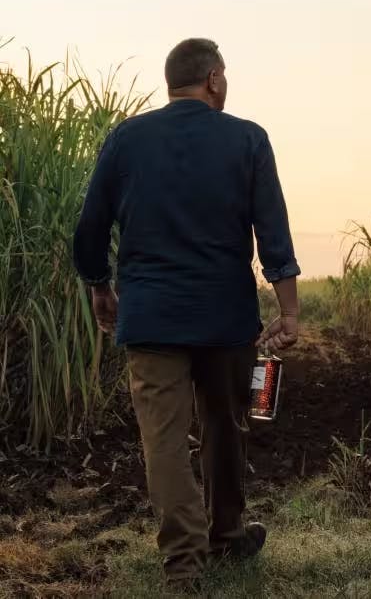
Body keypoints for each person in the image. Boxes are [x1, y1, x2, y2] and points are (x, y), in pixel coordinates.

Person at [73, 38, 300, 592]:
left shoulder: (127, 139)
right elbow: (272, 231)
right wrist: (289, 312)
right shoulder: (248, 138)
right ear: (214, 80)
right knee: (227, 426)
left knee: (165, 443)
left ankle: (184, 568)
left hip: (150, 319)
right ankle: (226, 535)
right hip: (226, 319)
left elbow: (91, 227)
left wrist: (101, 287)